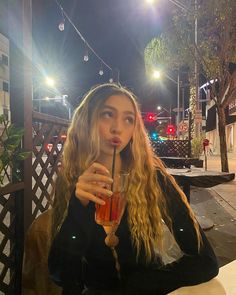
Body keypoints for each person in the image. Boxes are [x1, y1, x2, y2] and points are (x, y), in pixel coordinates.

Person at [48, 83, 219, 295]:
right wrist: (78, 208)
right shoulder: (71, 182)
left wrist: (139, 285)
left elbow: (205, 261)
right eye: (107, 114)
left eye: (128, 119)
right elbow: (62, 274)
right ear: (86, 121)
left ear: (134, 130)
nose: (117, 128)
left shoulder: (152, 178)